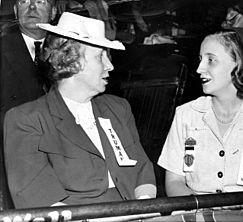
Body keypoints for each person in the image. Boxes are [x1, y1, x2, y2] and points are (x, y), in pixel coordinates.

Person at [4, 12, 156, 209]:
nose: (110, 66)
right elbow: (38, 199)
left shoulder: (118, 108)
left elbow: (142, 171)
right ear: (72, 61)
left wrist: (143, 210)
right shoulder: (27, 120)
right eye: (100, 57)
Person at [158, 28, 243, 209]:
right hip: (196, 214)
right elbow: (174, 183)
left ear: (238, 64)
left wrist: (230, 208)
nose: (199, 69)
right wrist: (206, 208)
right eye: (200, 60)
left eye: (211, 60)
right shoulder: (186, 114)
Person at [0, 0, 57, 209]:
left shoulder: (69, 47)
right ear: (15, 11)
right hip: (14, 153)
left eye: (40, 1)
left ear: (54, 11)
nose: (31, 8)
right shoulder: (3, 48)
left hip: (63, 151)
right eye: (24, 1)